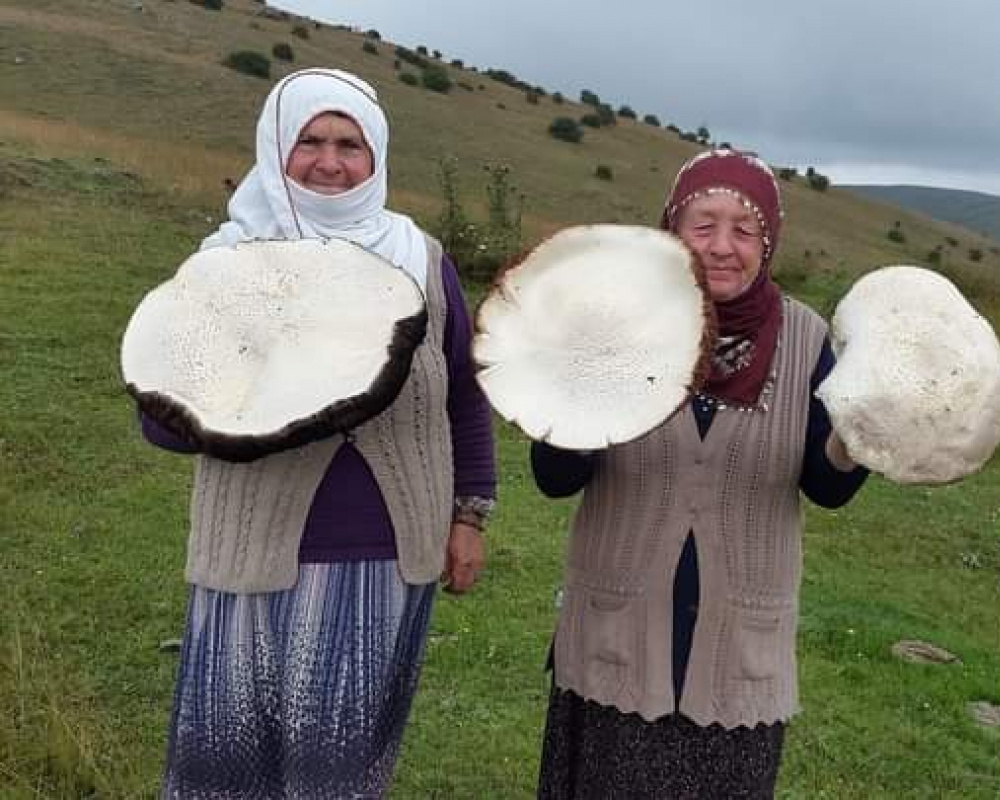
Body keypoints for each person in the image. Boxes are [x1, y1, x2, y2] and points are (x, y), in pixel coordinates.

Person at [138, 68, 496, 798]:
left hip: (383, 554)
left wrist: (469, 515)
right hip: (252, 549)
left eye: (349, 144)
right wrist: (251, 415)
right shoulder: (226, 265)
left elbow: (462, 391)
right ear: (276, 148)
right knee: (226, 763)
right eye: (309, 140)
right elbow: (160, 421)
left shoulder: (422, 261)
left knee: (336, 770)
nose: (329, 161)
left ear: (377, 157)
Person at [531, 148, 870, 798]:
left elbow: (828, 487)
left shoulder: (805, 341)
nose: (721, 247)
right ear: (672, 229)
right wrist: (574, 398)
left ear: (767, 243)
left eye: (744, 231)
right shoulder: (619, 322)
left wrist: (866, 432)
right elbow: (553, 478)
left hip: (736, 658)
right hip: (616, 644)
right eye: (702, 225)